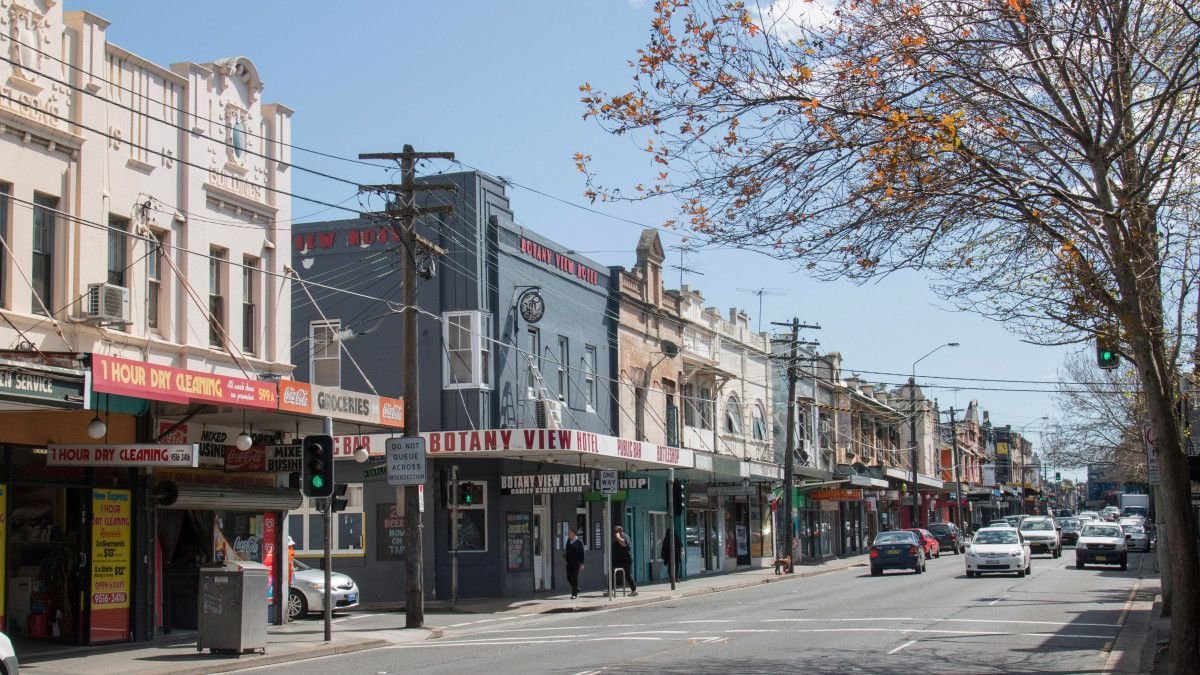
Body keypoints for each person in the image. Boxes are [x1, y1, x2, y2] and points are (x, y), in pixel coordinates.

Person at [611, 525, 638, 596]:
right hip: (618, 560)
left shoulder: (625, 537)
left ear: (620, 531)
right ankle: (611, 590)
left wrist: (618, 536)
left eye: (616, 531)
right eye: (615, 531)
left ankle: (634, 590)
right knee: (612, 573)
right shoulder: (618, 538)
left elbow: (624, 544)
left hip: (626, 560)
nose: (615, 533)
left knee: (628, 575)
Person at [563, 528, 585, 599]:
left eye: (569, 532)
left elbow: (582, 553)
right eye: (568, 532)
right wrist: (565, 556)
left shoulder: (579, 542)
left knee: (575, 577)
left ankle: (574, 594)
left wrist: (582, 564)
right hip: (569, 562)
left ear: (573, 533)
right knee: (569, 577)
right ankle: (576, 588)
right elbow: (566, 550)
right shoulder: (568, 541)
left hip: (576, 563)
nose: (568, 534)